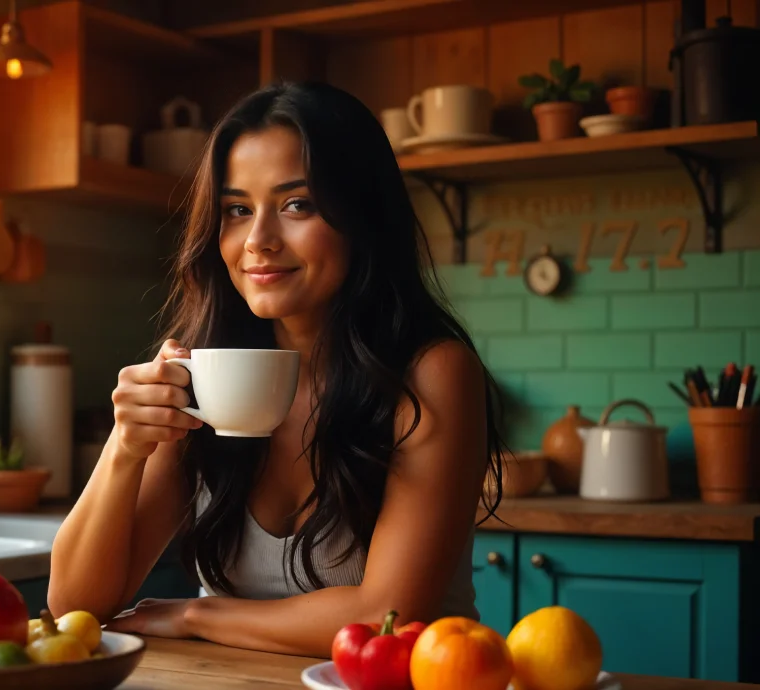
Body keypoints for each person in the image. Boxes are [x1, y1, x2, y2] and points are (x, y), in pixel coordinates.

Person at [47, 80, 508, 658]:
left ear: (361, 215)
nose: (258, 241)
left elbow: (384, 616)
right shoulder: (199, 374)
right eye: (237, 210)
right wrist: (125, 447)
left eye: (297, 205)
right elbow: (76, 608)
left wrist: (198, 613)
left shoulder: (431, 372)